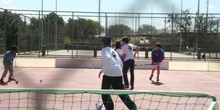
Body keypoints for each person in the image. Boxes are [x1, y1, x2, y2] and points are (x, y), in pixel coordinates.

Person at [98, 37, 137, 110]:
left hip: (109, 73)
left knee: (104, 93)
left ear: (103, 43)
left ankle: (109, 108)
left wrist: (102, 70)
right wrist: (119, 71)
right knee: (122, 93)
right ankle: (133, 107)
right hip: (118, 73)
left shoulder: (104, 50)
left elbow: (107, 58)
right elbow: (120, 62)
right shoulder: (113, 50)